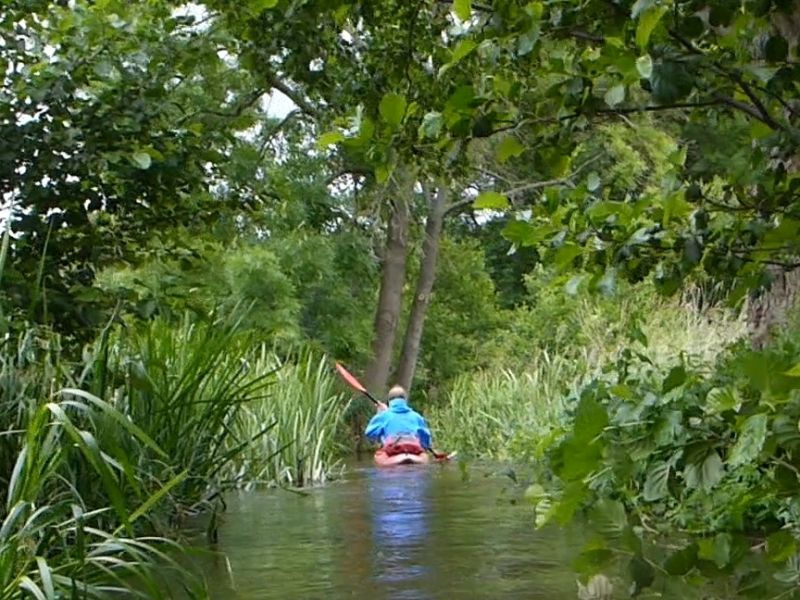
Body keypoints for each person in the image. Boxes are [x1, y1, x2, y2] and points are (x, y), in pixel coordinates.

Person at [364, 385, 432, 456]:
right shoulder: (417, 417)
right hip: (413, 449)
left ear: (389, 401)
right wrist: (425, 447)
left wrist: (379, 414)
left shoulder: (383, 416)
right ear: (405, 400)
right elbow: (426, 436)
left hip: (393, 450)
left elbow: (369, 433)